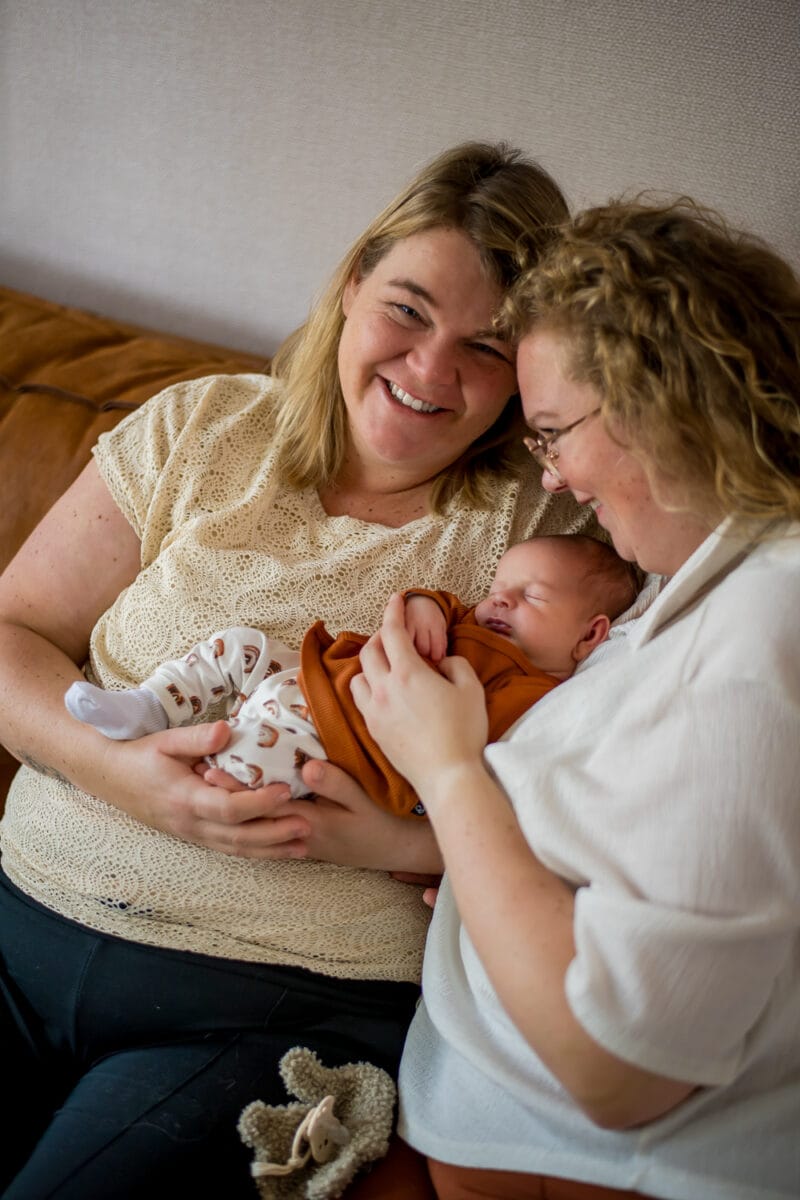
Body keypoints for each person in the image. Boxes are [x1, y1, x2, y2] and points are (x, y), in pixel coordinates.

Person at [0, 142, 596, 1198]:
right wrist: (122, 774)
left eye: (484, 346)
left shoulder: (542, 541)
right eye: (407, 310)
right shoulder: (201, 427)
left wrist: (400, 842)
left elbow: (586, 825)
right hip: (19, 931)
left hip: (267, 1011)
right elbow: (11, 632)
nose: (428, 371)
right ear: (352, 284)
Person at [346, 198, 800, 1199]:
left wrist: (448, 770)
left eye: (551, 434)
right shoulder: (691, 588)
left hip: (571, 1156)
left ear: (660, 404)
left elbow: (616, 1069)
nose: (549, 474)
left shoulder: (759, 636)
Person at [64, 534, 638, 813]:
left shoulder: (541, 698)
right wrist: (423, 607)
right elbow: (433, 598)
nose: (499, 603)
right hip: (316, 673)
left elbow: (490, 772)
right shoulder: (474, 622)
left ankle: (208, 778)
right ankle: (148, 708)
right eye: (497, 589)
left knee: (258, 756)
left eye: (530, 596)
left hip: (335, 741)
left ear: (590, 635)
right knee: (237, 647)